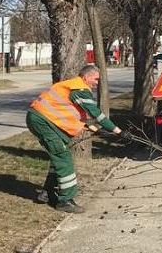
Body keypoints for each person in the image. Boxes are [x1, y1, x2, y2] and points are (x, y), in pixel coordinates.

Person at [26, 65, 122, 213]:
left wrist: (94, 128)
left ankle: (47, 192)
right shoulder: (80, 89)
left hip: (44, 120)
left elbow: (72, 113)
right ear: (86, 77)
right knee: (63, 157)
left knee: (57, 157)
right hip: (43, 121)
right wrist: (117, 130)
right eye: (96, 79)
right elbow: (96, 113)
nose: (97, 83)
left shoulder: (73, 87)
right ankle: (65, 201)